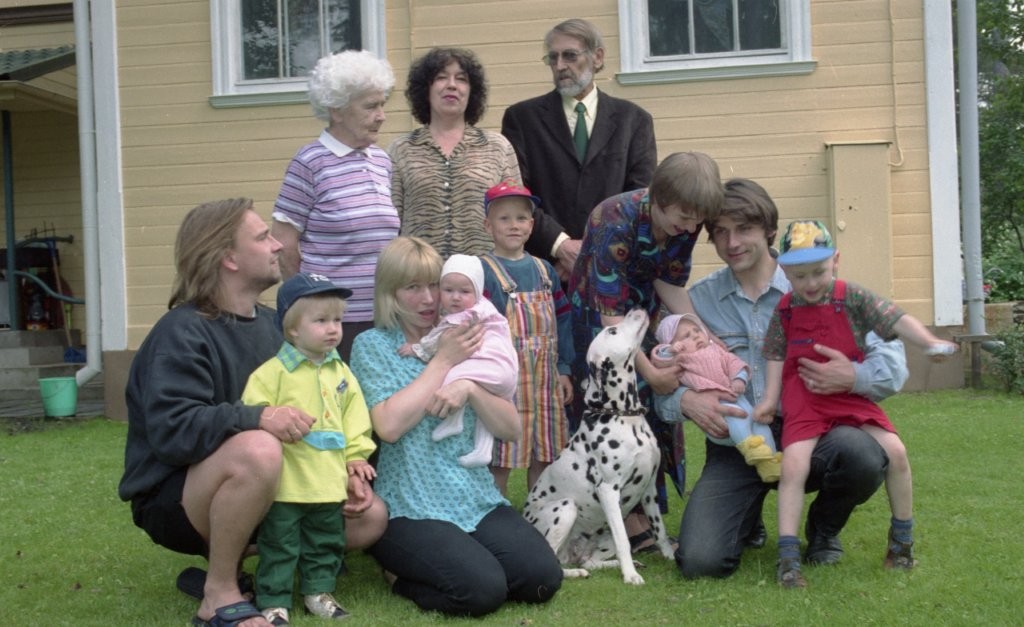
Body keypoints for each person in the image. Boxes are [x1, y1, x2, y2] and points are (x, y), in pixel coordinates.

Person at [118, 198, 387, 627]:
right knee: (259, 448)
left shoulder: (276, 328)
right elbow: (173, 432)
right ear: (228, 258)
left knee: (369, 518)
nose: (278, 245)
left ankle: (270, 571)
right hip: (177, 499)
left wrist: (347, 467)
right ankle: (219, 592)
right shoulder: (181, 332)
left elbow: (328, 410)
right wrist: (258, 417)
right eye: (263, 237)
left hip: (278, 487)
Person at [653, 178, 909, 580]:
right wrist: (685, 400)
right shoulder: (698, 302)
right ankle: (747, 514)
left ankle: (823, 530)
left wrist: (853, 375)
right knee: (701, 562)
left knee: (861, 454)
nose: (732, 242)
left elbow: (894, 363)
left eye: (744, 229)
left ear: (770, 230)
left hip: (815, 432)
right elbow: (662, 381)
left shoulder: (814, 283)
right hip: (739, 442)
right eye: (720, 232)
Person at [349, 236, 562, 616]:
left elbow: (511, 429)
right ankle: (397, 576)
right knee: (481, 591)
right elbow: (389, 427)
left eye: (434, 284)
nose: (429, 298)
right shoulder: (373, 345)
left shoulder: (469, 335)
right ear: (390, 293)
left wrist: (470, 388)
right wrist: (443, 362)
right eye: (412, 287)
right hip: (410, 504)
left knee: (541, 579)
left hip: (472, 494)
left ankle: (464, 557)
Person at [752, 220, 958, 588]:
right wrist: (769, 400)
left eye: (819, 272)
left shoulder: (854, 298)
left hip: (848, 395)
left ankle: (901, 544)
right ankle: (788, 560)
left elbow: (896, 318)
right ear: (785, 271)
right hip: (805, 398)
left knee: (896, 452)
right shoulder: (785, 309)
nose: (810, 284)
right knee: (794, 466)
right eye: (800, 276)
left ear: (835, 260)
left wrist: (928, 342)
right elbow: (775, 354)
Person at [569, 151, 724, 550]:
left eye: (696, 221)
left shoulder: (686, 223)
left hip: (644, 317)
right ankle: (624, 519)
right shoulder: (612, 220)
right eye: (684, 217)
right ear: (660, 197)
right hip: (598, 323)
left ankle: (643, 509)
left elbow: (669, 283)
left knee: (650, 416)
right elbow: (610, 316)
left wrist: (702, 333)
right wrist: (650, 373)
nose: (689, 227)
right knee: (617, 412)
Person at [241, 272, 377, 624]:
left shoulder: (341, 373)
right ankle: (274, 600)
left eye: (337, 320)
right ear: (292, 329)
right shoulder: (272, 374)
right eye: (321, 321)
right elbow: (254, 417)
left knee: (325, 541)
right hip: (287, 483)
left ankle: (318, 592)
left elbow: (354, 417)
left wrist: (356, 456)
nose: (333, 329)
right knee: (279, 544)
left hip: (328, 482)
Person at [502, 17, 657, 280]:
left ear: (597, 57)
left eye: (570, 55)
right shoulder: (522, 119)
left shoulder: (634, 120)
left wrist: (590, 254)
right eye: (553, 58)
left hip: (613, 272)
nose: (560, 65)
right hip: (545, 272)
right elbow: (518, 195)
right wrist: (561, 246)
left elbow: (639, 199)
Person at [271, 50, 399, 360]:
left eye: (382, 104)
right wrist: (308, 303)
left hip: (385, 318)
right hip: (334, 324)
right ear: (336, 110)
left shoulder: (381, 161)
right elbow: (284, 244)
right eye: (370, 106)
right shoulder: (310, 162)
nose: (381, 115)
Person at [478, 181, 574, 496]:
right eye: (504, 218)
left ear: (532, 225)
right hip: (505, 381)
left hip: (546, 380)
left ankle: (538, 514)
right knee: (501, 457)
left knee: (545, 453)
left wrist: (563, 368)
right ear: (488, 226)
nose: (514, 225)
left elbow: (562, 319)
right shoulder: (483, 271)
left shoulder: (544, 270)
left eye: (521, 218)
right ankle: (495, 512)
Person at [390, 47, 522, 258]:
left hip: (483, 272)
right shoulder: (402, 149)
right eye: (441, 77)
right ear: (426, 89)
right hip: (420, 274)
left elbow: (516, 215)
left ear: (472, 91)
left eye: (461, 79)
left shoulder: (497, 147)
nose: (452, 85)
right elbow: (390, 223)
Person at [399, 254, 519, 467]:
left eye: (464, 292)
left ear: (478, 291)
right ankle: (483, 450)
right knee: (484, 411)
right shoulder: (485, 308)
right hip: (504, 372)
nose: (455, 297)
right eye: (448, 290)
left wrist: (417, 349)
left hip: (489, 367)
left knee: (451, 376)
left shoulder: (465, 316)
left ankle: (453, 421)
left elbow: (439, 339)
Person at [651, 314, 780, 483]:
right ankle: (750, 448)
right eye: (686, 336)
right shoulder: (680, 360)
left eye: (697, 330)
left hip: (737, 398)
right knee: (737, 419)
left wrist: (739, 378)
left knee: (759, 424)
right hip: (716, 409)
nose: (695, 336)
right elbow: (659, 361)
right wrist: (669, 350)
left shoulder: (716, 350)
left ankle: (771, 462)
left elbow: (734, 363)